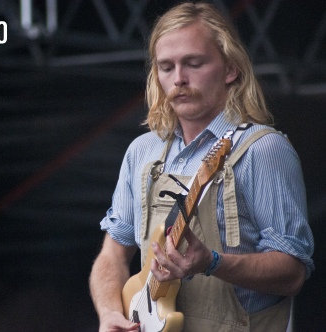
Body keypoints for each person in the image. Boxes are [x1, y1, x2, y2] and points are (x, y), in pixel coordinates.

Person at [89, 2, 315, 331]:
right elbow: (112, 255)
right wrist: (110, 313)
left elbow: (292, 273)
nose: (179, 78)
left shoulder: (264, 150)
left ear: (230, 69)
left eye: (194, 63)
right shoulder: (143, 151)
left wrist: (212, 262)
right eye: (166, 67)